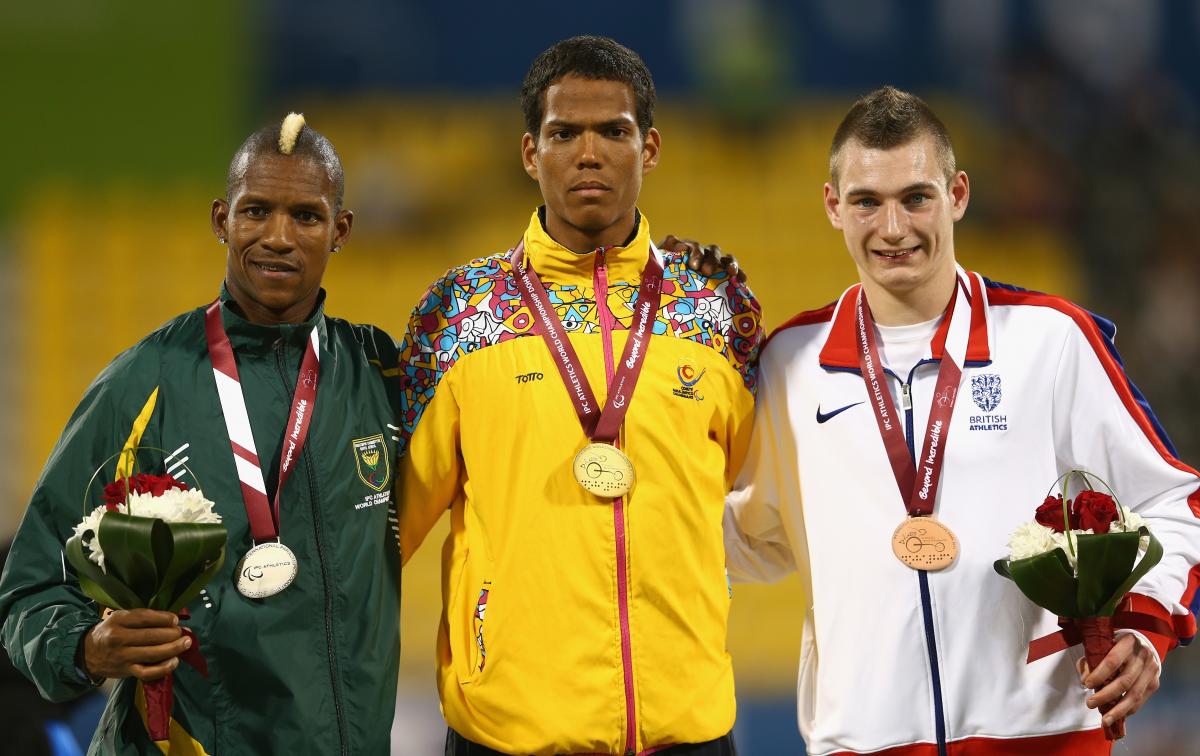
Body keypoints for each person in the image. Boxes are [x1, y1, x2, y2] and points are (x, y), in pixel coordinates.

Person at [723, 86, 1200, 754]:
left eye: (916, 197)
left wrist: (1144, 624)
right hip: (863, 745)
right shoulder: (790, 364)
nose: (893, 228)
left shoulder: (1049, 339)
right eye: (867, 201)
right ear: (834, 206)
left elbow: (1174, 499)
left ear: (959, 195)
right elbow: (750, 540)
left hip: (1043, 741)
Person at [396, 36, 762, 755]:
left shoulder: (717, 307)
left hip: (687, 730)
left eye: (613, 132)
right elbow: (387, 530)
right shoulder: (458, 315)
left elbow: (764, 496)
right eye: (564, 133)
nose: (588, 153)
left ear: (649, 148)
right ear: (531, 153)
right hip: (509, 735)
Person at [0, 114, 405, 754]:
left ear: (341, 230)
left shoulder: (378, 374)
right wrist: (85, 647)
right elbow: (31, 585)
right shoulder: (145, 383)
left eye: (306, 216)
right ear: (222, 220)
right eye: (256, 211)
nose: (278, 236)